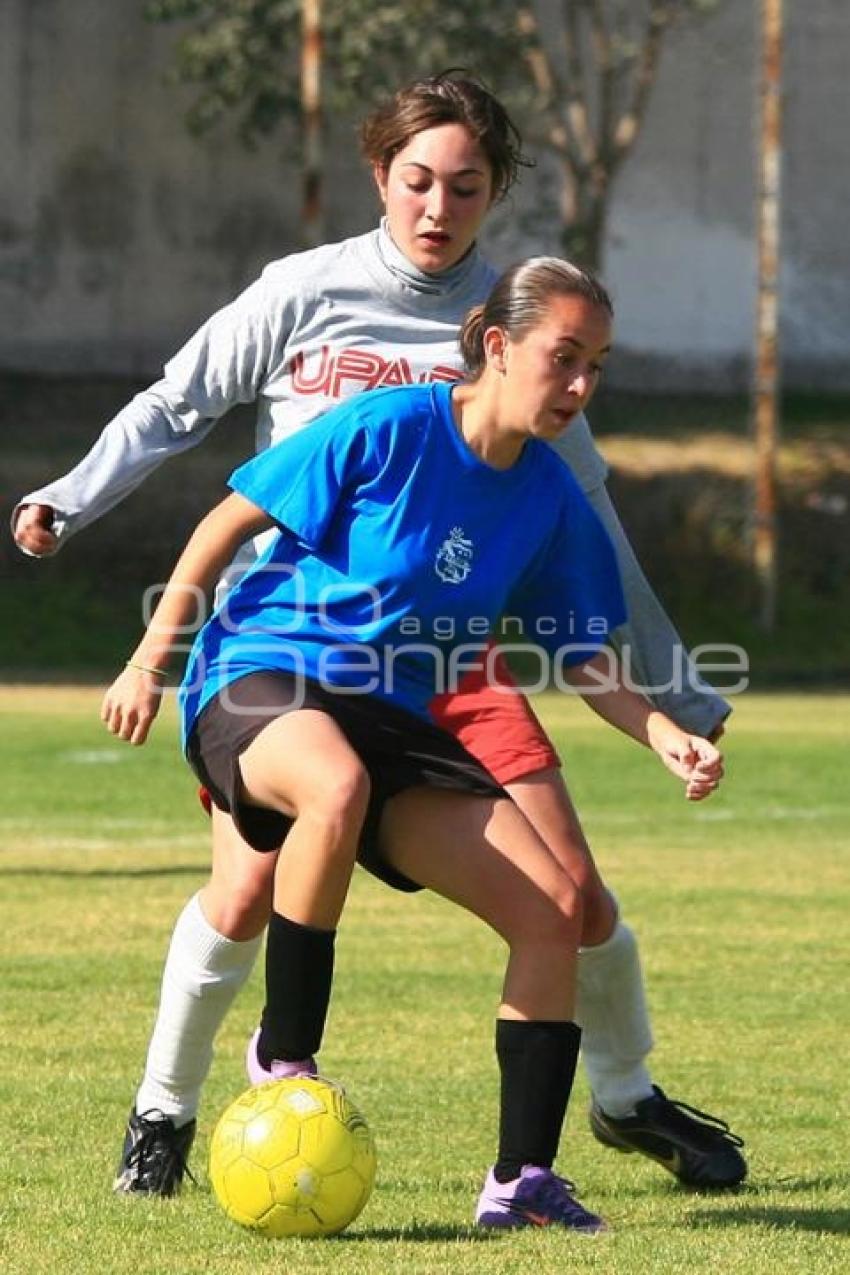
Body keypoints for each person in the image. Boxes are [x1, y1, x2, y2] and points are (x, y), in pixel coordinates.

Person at [12, 72, 745, 1198]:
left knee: (571, 900)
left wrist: (675, 702)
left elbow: (584, 521)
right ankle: (167, 1106)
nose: (436, 207)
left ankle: (621, 1099)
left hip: (448, 656)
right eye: (416, 181)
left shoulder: (537, 324)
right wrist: (71, 495)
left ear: (495, 194)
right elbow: (178, 405)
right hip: (292, 646)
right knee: (253, 888)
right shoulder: (307, 291)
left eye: (465, 186)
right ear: (380, 178)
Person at [102, 257, 725, 1232]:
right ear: (495, 345)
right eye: (562, 358)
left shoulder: (551, 499)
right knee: (332, 787)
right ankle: (286, 1056)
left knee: (555, 908)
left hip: (397, 715)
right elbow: (226, 521)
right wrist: (152, 658)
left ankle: (520, 1185)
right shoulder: (389, 425)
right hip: (263, 672)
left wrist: (661, 732)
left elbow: (582, 656)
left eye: (594, 367)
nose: (578, 387)